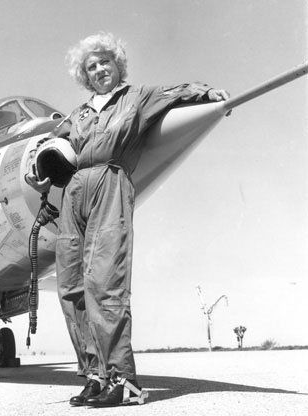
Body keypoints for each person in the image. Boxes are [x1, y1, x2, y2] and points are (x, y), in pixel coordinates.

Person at [26, 32, 229, 407]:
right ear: (84, 76)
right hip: (73, 192)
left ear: (118, 64)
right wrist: (37, 173)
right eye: (92, 66)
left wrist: (209, 95)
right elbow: (48, 146)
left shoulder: (137, 97)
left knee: (106, 282)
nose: (99, 69)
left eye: (105, 61)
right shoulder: (79, 114)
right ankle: (94, 375)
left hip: (110, 182)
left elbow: (179, 92)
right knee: (71, 287)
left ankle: (123, 379)